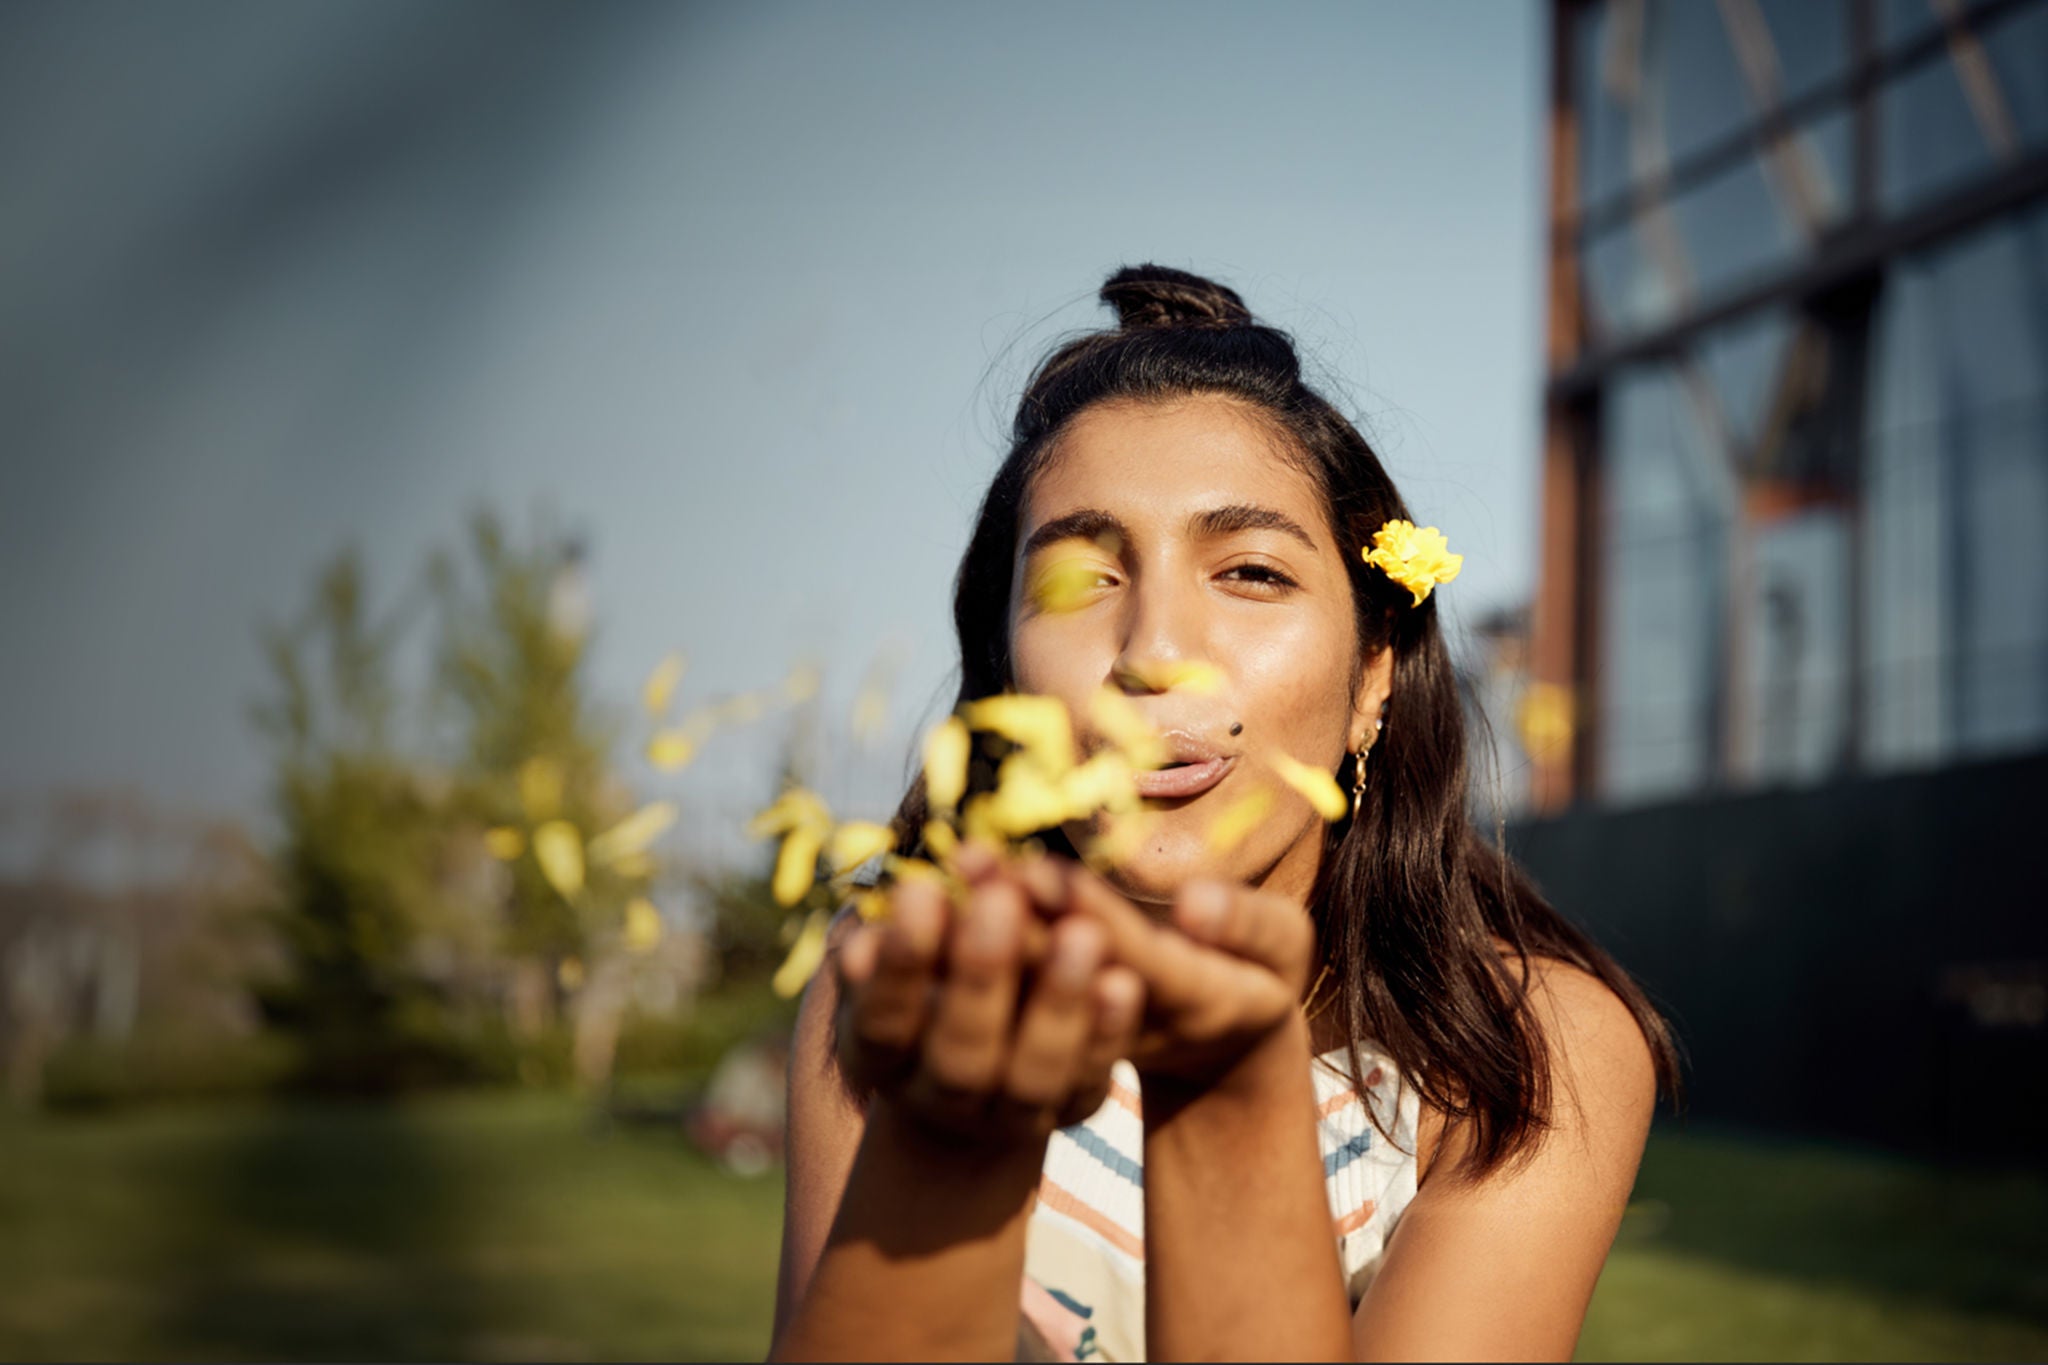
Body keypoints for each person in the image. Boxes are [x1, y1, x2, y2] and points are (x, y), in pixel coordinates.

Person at [768, 264, 1686, 1362]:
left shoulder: (1525, 1052)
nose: (1154, 653)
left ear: (1370, 679)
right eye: (1079, 583)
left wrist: (1222, 1097)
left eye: (1248, 572)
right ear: (1009, 675)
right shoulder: (902, 980)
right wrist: (944, 1154)